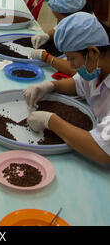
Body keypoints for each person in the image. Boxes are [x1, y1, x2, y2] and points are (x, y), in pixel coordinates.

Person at [24, 12, 110, 166]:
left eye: (72, 58)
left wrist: (51, 121)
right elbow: (79, 84)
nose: (70, 65)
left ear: (93, 52)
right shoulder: (97, 67)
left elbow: (102, 151)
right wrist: (51, 86)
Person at [30, 0, 95, 75]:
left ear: (71, 16)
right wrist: (47, 35)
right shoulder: (79, 16)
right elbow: (58, 28)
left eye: (58, 18)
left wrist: (45, 57)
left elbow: (78, 71)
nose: (59, 23)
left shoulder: (85, 31)